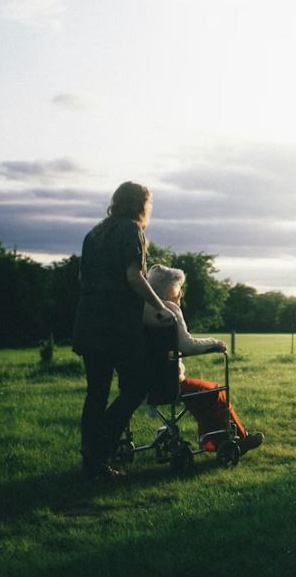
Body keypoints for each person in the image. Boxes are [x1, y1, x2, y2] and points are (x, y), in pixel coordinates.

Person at [72, 182, 176, 480]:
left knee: (97, 393)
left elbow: (83, 277)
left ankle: (91, 462)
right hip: (116, 325)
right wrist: (160, 306)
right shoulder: (131, 230)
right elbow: (134, 276)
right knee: (135, 388)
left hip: (88, 322)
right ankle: (97, 451)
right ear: (141, 205)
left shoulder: (94, 234)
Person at [144, 264, 264, 455]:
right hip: (168, 383)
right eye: (179, 288)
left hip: (143, 383)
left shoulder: (141, 309)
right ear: (169, 289)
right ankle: (240, 438)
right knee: (214, 391)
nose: (181, 293)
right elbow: (187, 345)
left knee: (200, 393)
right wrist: (215, 343)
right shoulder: (169, 310)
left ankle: (212, 440)